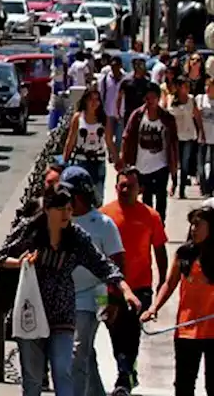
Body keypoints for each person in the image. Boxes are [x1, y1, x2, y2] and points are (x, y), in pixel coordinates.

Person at [0, 186, 138, 396]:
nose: (67, 214)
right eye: (61, 209)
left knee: (64, 370)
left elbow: (103, 265)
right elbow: (0, 257)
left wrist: (125, 289)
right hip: (31, 311)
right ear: (47, 209)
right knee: (33, 378)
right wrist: (20, 263)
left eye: (70, 209)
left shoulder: (76, 236)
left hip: (63, 311)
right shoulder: (30, 230)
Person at [101, 168, 170, 396]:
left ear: (141, 189)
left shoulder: (151, 216)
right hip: (108, 287)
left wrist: (162, 281)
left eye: (130, 186)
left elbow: (160, 250)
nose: (125, 189)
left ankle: (123, 377)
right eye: (122, 185)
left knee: (131, 330)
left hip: (140, 286)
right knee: (114, 331)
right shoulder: (104, 215)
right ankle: (127, 370)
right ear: (116, 187)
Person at [61, 167, 125, 396]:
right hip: (62, 295)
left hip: (93, 294)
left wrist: (114, 300)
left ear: (79, 195)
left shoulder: (103, 224)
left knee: (77, 352)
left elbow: (117, 263)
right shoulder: (59, 219)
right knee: (84, 353)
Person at [142, 203, 214, 396]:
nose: (193, 229)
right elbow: (169, 283)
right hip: (186, 330)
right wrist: (154, 308)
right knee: (183, 385)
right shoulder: (184, 254)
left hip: (212, 331)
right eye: (192, 224)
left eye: (199, 224)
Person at [121, 82, 181, 221]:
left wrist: (174, 170)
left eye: (153, 97)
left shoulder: (167, 118)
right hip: (142, 166)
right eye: (148, 98)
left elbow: (173, 143)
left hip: (161, 165)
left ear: (159, 98)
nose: (150, 101)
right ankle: (148, 226)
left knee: (161, 197)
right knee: (146, 198)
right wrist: (124, 161)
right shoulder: (137, 116)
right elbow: (127, 137)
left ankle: (160, 225)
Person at [63, 87, 117, 203]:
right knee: (80, 196)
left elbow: (109, 141)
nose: (94, 103)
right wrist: (65, 160)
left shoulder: (104, 119)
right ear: (85, 101)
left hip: (98, 161)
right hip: (81, 160)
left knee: (98, 196)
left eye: (97, 100)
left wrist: (117, 161)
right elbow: (71, 140)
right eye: (91, 99)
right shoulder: (78, 118)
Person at [168, 81, 205, 200]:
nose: (187, 89)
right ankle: (174, 183)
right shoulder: (172, 100)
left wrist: (201, 130)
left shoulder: (191, 99)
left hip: (188, 135)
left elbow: (197, 115)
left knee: (184, 164)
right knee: (174, 163)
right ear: (179, 87)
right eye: (185, 87)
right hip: (175, 136)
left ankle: (182, 190)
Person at [100, 56, 128, 144]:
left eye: (116, 65)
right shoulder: (105, 79)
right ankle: (111, 156)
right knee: (108, 138)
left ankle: (117, 156)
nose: (114, 68)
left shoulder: (126, 79)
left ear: (120, 66)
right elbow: (101, 95)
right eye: (112, 66)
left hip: (121, 114)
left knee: (120, 139)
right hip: (108, 113)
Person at [120, 58, 153, 124]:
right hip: (129, 114)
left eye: (143, 65)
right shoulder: (126, 81)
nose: (141, 68)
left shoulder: (147, 82)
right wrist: (119, 113)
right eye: (139, 65)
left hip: (142, 114)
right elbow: (119, 97)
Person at [198, 83, 214, 197]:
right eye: (206, 86)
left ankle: (210, 187)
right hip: (202, 137)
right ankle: (203, 186)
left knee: (213, 165)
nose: (208, 89)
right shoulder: (200, 98)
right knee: (201, 165)